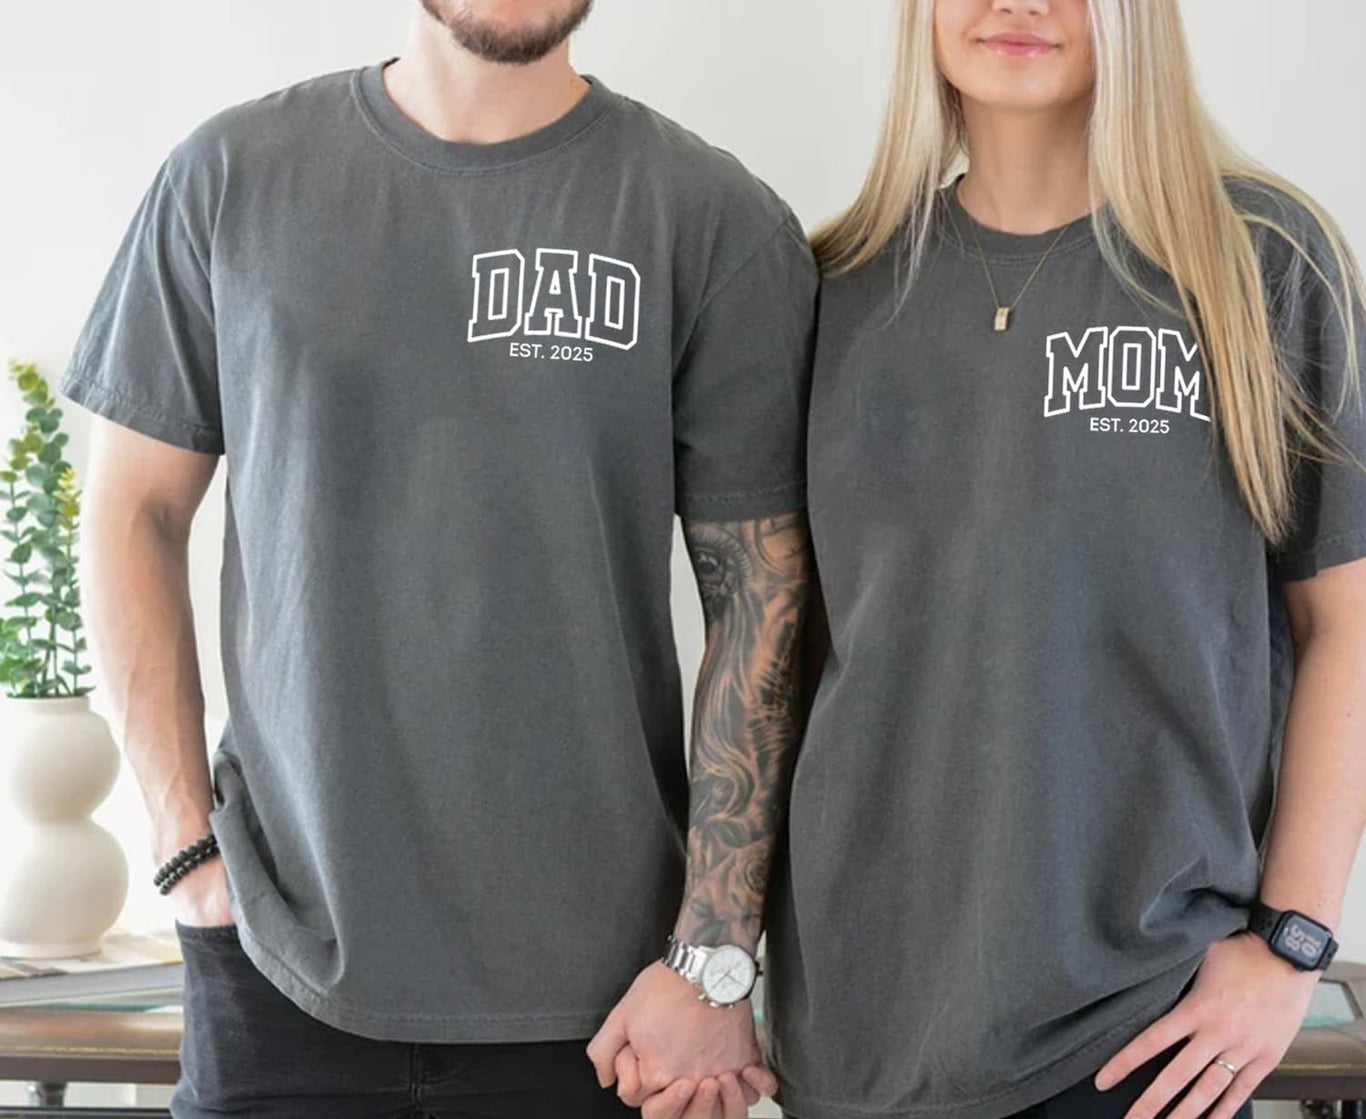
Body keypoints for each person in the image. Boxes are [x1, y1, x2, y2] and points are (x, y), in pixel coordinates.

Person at [62, 1, 816, 1115]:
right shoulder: (230, 177)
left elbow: (763, 598)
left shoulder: (709, 219)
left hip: (606, 1005)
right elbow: (132, 512)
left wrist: (713, 955)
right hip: (277, 963)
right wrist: (184, 856)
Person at [753, 2, 1366, 1119]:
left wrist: (1290, 942)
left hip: (1138, 1029)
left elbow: (1347, 631)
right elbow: (777, 657)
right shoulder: (830, 287)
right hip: (854, 1022)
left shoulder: (1253, 260)